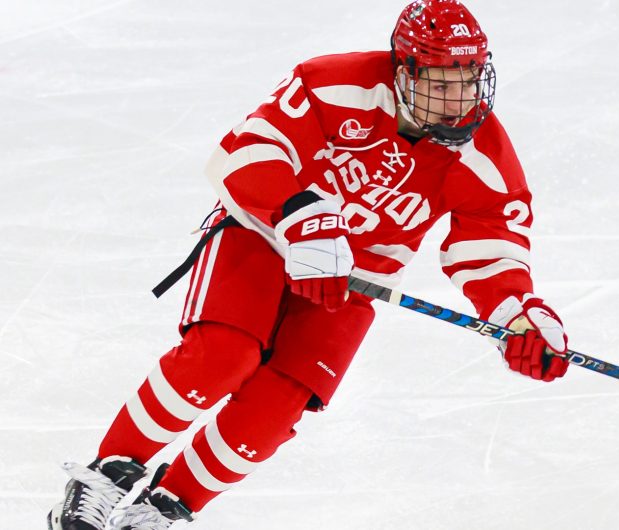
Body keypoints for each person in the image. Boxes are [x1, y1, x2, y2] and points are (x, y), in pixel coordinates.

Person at [47, 1, 570, 528]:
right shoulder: (333, 84)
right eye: (440, 82)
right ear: (403, 70)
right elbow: (249, 149)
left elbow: (491, 247)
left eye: (470, 80)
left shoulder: (485, 155)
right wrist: (301, 216)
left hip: (351, 282)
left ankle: (160, 510)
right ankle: (105, 476)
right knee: (223, 357)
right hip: (264, 237)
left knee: (272, 412)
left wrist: (518, 318)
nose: (459, 101)